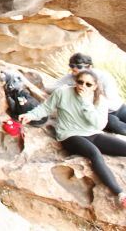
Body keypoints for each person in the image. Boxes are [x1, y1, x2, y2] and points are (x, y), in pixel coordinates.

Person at [21, 69, 126, 208]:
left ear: (95, 86)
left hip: (92, 133)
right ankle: (120, 194)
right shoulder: (63, 92)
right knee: (94, 154)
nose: (83, 86)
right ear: (75, 81)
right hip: (69, 135)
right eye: (80, 82)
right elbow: (45, 108)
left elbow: (99, 124)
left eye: (88, 84)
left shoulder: (100, 100)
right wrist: (30, 115)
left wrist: (86, 104)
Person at [48, 52, 126, 135]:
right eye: (72, 66)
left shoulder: (104, 77)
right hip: (99, 113)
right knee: (116, 125)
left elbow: (111, 99)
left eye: (79, 66)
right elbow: (51, 88)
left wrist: (88, 96)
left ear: (89, 67)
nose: (74, 69)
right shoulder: (71, 78)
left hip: (117, 108)